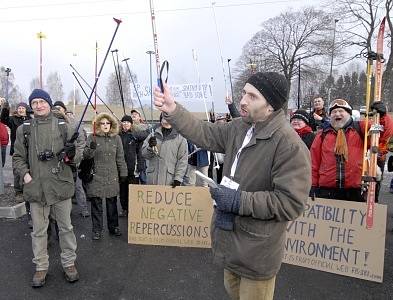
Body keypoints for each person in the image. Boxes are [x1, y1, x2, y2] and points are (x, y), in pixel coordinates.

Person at [153, 72, 311, 300]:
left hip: (257, 251)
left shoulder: (289, 145)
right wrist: (172, 108)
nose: (243, 101)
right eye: (244, 93)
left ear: (271, 106)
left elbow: (290, 203)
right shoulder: (240, 127)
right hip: (231, 240)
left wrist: (238, 200)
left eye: (252, 96)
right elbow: (203, 132)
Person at [13, 89, 82, 287]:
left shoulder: (63, 126)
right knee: (38, 232)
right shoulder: (23, 129)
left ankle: (69, 263)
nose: (38, 106)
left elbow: (78, 156)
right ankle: (41, 266)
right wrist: (26, 176)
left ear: (49, 104)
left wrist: (71, 155)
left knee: (66, 228)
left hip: (60, 186)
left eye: (41, 102)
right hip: (36, 189)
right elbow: (17, 157)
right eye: (34, 103)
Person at [310, 98, 393, 202]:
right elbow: (314, 163)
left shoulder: (361, 127)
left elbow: (383, 134)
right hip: (327, 190)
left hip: (355, 190)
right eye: (334, 112)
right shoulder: (322, 134)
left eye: (341, 111)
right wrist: (313, 185)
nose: (337, 114)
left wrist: (382, 116)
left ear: (348, 114)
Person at [83, 112, 127, 240]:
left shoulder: (117, 139)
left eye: (107, 123)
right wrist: (90, 149)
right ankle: (97, 230)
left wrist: (123, 173)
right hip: (96, 176)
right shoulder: (92, 138)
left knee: (112, 203)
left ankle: (113, 227)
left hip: (112, 175)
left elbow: (120, 158)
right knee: (96, 204)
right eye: (102, 123)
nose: (105, 125)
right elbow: (85, 156)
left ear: (111, 124)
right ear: (98, 125)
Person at [142, 113, 188, 186]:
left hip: (169, 180)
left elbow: (182, 160)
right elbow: (144, 154)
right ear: (161, 119)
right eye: (164, 116)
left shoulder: (181, 139)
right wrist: (150, 147)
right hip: (152, 180)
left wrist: (178, 179)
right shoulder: (152, 135)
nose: (167, 119)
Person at [0, 98, 32, 201]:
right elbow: (3, 119)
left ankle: (29, 189)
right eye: (19, 108)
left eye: (23, 108)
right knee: (17, 171)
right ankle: (18, 191)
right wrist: (5, 106)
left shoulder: (31, 119)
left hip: (30, 150)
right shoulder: (13, 119)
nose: (21, 109)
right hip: (16, 150)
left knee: (30, 170)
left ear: (26, 109)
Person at [118, 115, 149, 216]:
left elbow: (146, 134)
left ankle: (133, 209)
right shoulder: (118, 135)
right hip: (122, 168)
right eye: (124, 122)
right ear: (121, 124)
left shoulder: (136, 135)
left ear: (131, 124)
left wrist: (135, 136)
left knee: (133, 191)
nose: (126, 124)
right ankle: (124, 209)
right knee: (123, 190)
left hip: (133, 168)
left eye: (128, 122)